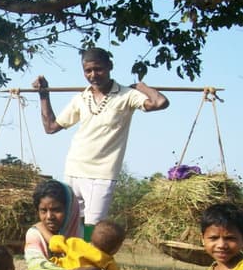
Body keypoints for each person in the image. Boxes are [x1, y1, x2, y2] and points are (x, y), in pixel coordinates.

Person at [33, 47, 169, 241]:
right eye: (88, 71)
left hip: (102, 174)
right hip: (74, 168)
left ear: (110, 66)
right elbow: (51, 127)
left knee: (93, 227)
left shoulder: (127, 95)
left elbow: (160, 102)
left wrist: (142, 87)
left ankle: (89, 259)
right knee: (68, 223)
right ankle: (68, 257)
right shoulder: (81, 98)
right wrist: (43, 95)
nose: (93, 75)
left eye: (98, 69)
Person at [49, 220, 126, 270]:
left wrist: (55, 238)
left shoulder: (75, 243)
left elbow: (54, 243)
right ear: (115, 249)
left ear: (91, 236)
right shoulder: (109, 261)